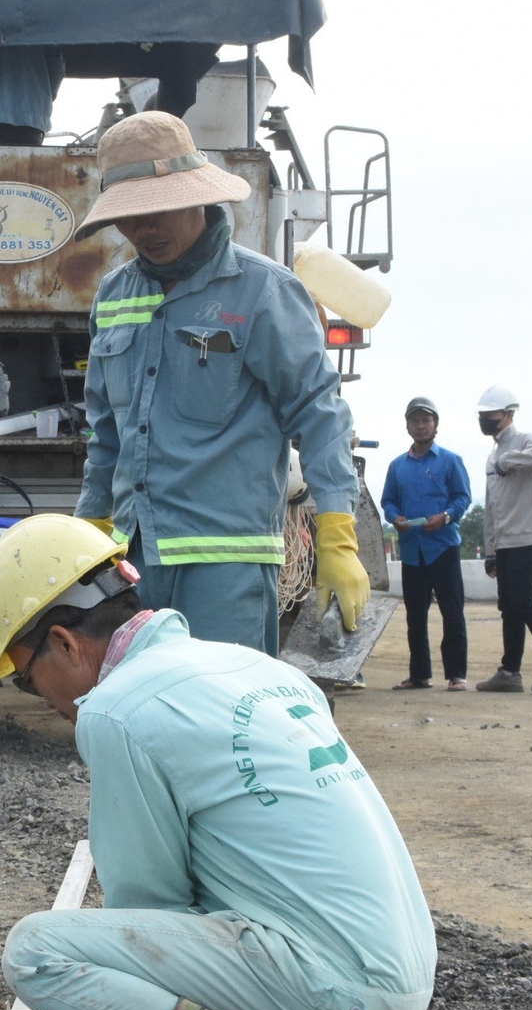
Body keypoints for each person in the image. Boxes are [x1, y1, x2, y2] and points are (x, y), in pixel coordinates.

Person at [0, 515, 435, 1010]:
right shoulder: (252, 665)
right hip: (402, 968)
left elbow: (148, 910)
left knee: (35, 951)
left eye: (26, 676)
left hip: (342, 989)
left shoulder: (117, 709)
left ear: (64, 640)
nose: (37, 694)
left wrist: (84, 999)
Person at [71, 110, 368, 656]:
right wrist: (89, 524)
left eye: (158, 210)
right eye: (129, 217)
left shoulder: (263, 292)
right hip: (132, 561)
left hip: (225, 566)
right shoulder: (112, 298)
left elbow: (321, 414)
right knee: (142, 716)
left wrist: (337, 534)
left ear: (198, 197)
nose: (144, 229)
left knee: (220, 720)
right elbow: (105, 433)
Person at [474, 385, 532, 693]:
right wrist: (491, 550)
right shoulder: (492, 456)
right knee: (510, 606)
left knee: (524, 602)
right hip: (505, 542)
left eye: (493, 415)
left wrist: (509, 462)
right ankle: (510, 671)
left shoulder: (525, 441)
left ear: (509, 414)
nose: (487, 420)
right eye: (483, 415)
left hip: (530, 537)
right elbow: (492, 507)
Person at [380, 397, 471, 690]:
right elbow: (388, 501)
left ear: (436, 425)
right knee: (415, 615)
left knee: (452, 611)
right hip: (411, 549)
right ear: (407, 426)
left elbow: (462, 497)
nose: (420, 426)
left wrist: (445, 517)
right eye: (415, 421)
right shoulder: (397, 466)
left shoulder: (450, 461)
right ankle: (419, 674)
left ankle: (456, 674)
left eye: (425, 421)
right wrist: (395, 518)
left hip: (443, 546)